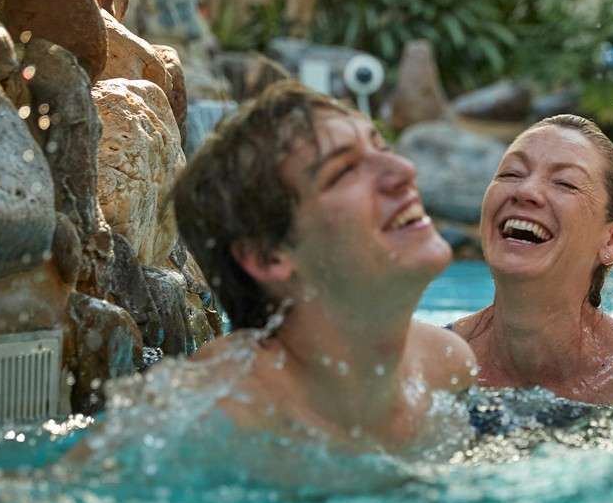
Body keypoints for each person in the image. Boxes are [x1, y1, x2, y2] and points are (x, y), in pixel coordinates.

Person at [169, 81, 476, 452]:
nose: (403, 170)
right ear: (268, 257)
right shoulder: (210, 412)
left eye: (382, 147)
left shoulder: (445, 367)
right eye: (344, 170)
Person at [447, 115, 613, 405]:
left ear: (612, 240)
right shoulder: (424, 363)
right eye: (511, 174)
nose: (525, 191)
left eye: (565, 183)